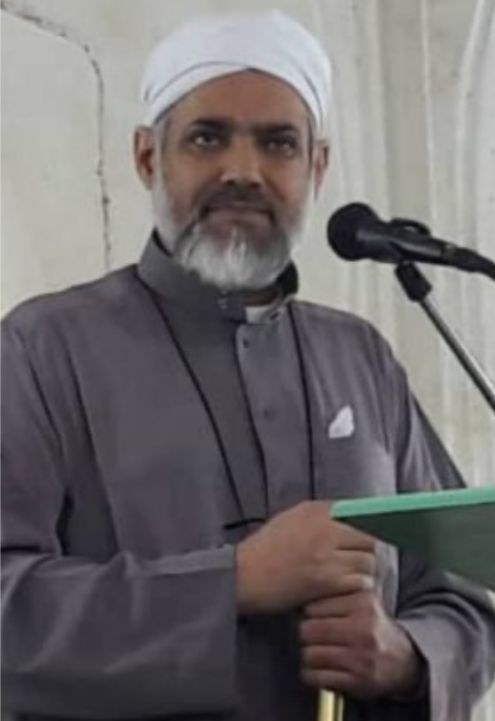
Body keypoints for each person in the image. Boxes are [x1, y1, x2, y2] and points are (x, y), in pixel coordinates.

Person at [1, 10, 494, 721]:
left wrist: (404, 655)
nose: (242, 171)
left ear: (315, 167)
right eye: (207, 137)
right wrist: (232, 582)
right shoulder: (44, 347)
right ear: (147, 157)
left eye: (277, 143)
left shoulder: (359, 357)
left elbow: (462, 599)